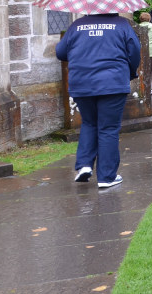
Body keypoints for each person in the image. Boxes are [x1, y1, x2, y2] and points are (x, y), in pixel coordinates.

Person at [56, 12, 140, 189]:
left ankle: (84, 164)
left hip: (82, 83)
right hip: (113, 83)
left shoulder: (76, 25)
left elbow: (60, 52)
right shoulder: (121, 25)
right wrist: (130, 71)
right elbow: (134, 52)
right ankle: (106, 176)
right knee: (108, 128)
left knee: (89, 123)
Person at [138, 12, 152, 78]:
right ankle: (150, 85)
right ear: (149, 19)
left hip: (141, 50)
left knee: (142, 69)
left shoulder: (137, 28)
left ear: (140, 19)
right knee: (151, 69)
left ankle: (142, 84)